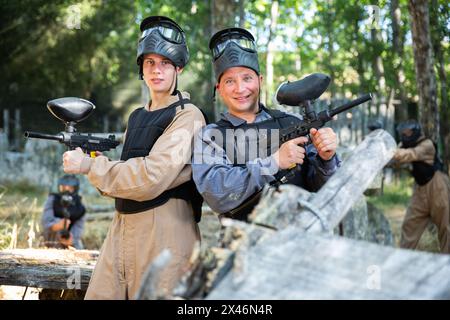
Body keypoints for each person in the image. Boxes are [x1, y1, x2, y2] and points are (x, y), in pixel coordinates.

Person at [62, 16, 206, 299]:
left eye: (165, 63)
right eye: (149, 62)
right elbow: (129, 167)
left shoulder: (188, 115)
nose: (157, 70)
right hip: (123, 226)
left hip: (165, 232)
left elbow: (150, 177)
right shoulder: (138, 115)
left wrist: (91, 165)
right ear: (141, 68)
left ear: (179, 67)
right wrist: (94, 157)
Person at [192, 27, 340, 221]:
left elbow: (328, 190)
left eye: (247, 78)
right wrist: (274, 162)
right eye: (229, 81)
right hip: (243, 243)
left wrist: (326, 158)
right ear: (219, 89)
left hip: (302, 238)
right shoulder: (210, 136)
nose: (240, 88)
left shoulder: (292, 123)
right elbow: (218, 194)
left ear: (260, 81)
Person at [393, 120, 450, 254]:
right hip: (420, 189)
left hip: (438, 186)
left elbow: (411, 154)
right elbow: (396, 160)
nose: (405, 135)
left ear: (415, 131)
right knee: (409, 225)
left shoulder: (427, 144)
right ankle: (403, 260)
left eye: (408, 132)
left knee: (446, 227)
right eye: (403, 133)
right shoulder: (405, 145)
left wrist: (390, 152)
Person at [41, 174, 86, 249]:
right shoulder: (52, 200)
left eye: (70, 188)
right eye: (63, 187)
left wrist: (71, 240)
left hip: (71, 243)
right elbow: (46, 221)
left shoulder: (79, 206)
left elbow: (79, 228)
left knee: (78, 246)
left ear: (75, 189)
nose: (66, 191)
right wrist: (57, 225)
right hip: (51, 238)